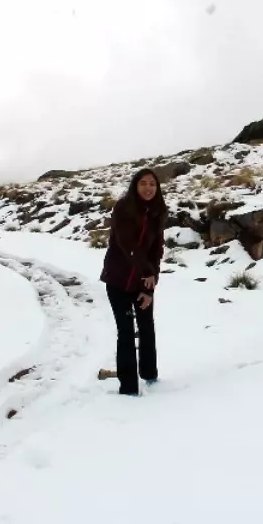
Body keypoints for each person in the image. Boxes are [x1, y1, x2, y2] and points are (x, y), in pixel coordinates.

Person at [100, 168, 166, 396]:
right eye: (143, 183)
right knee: (126, 331)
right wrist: (147, 273)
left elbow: (157, 249)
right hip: (117, 279)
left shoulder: (158, 211)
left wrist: (152, 280)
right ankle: (128, 389)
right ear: (135, 186)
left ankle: (150, 375)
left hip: (144, 279)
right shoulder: (123, 209)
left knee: (147, 327)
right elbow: (128, 245)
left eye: (152, 184)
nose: (148, 188)